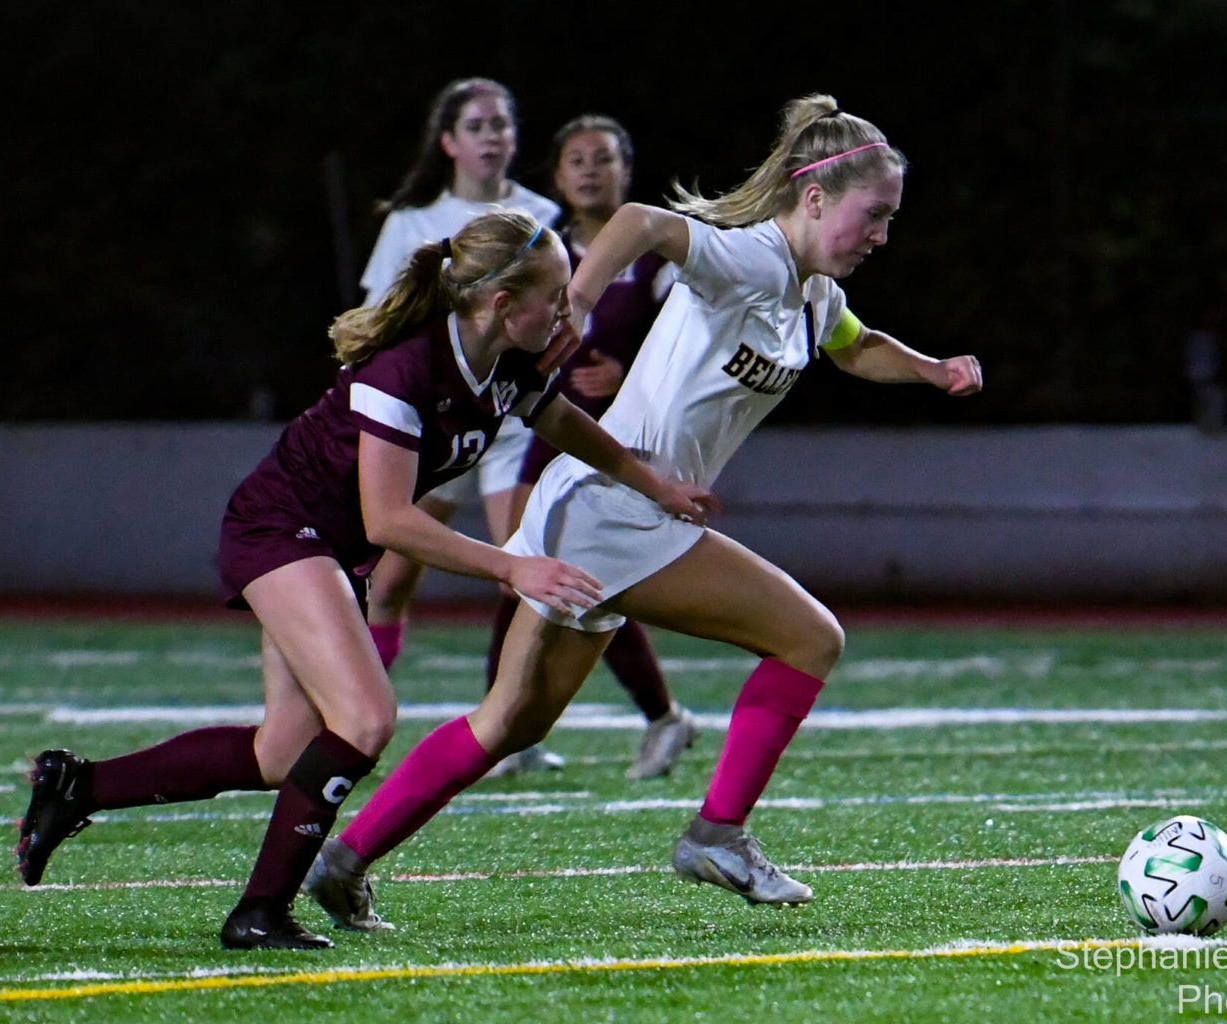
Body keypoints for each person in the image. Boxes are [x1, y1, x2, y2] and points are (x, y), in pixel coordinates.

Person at [305, 93, 981, 933]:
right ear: (813, 199)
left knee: (510, 722)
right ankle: (718, 833)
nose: (882, 233)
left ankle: (344, 859)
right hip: (613, 512)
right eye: (873, 213)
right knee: (812, 637)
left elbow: (858, 345)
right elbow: (638, 221)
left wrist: (933, 369)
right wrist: (579, 301)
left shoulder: (812, 296)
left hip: (605, 515)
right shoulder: (749, 260)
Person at [13, 210, 714, 950]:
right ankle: (259, 912)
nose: (570, 314)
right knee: (366, 718)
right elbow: (389, 522)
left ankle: (77, 787)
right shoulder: (405, 368)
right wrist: (513, 564)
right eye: (558, 297)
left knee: (282, 753)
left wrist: (650, 483)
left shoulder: (504, 356)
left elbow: (559, 420)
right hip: (280, 529)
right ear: (503, 303)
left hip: (326, 542)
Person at [486, 114, 694, 780]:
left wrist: (627, 376)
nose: (588, 170)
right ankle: (506, 729)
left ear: (626, 171)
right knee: (517, 569)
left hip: (625, 440)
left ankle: (661, 717)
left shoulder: (660, 255)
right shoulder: (544, 250)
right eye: (575, 159)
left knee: (595, 580)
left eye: (602, 159)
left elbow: (690, 348)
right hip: (550, 428)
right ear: (556, 176)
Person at [357, 77, 558, 722]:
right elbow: (376, 322)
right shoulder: (411, 225)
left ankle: (503, 721)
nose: (493, 137)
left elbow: (563, 319)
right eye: (477, 125)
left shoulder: (541, 218)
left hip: (508, 418)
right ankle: (356, 704)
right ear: (447, 142)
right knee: (389, 581)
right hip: (437, 426)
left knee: (525, 570)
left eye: (502, 124)